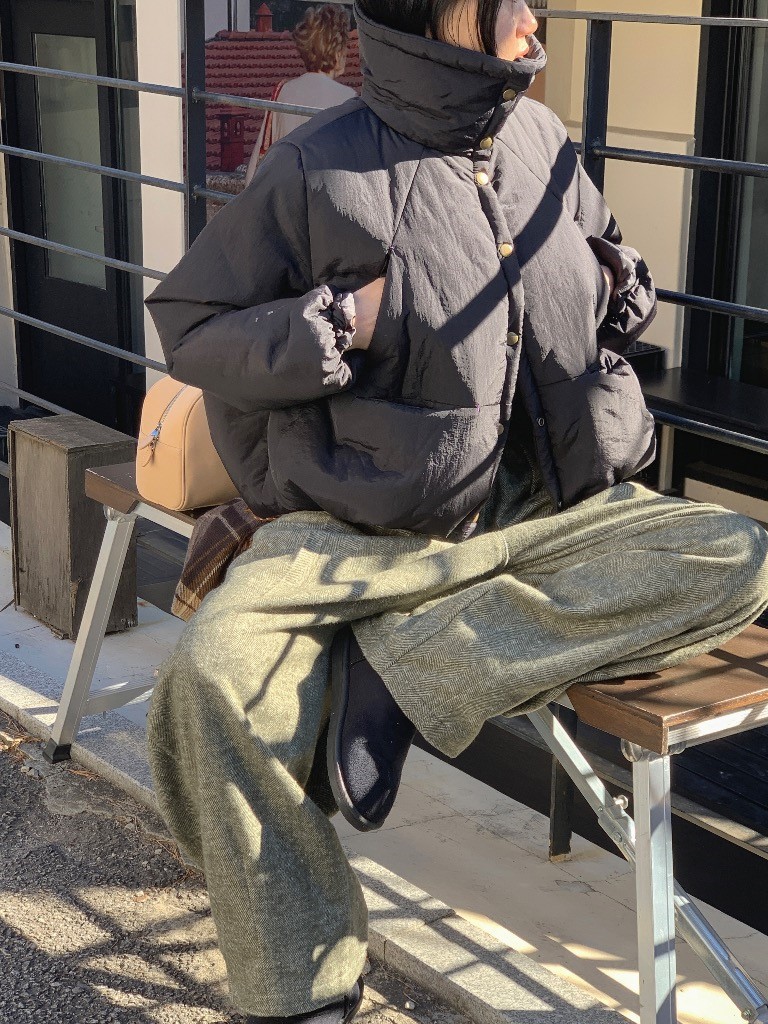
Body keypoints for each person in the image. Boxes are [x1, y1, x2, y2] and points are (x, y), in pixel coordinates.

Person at [144, 2, 768, 1022]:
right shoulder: (318, 166)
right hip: (362, 525)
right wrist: (339, 322)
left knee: (736, 555)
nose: (530, 15)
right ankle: (301, 991)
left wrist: (616, 284)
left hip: (545, 510)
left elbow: (608, 259)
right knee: (214, 681)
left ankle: (401, 665)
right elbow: (192, 326)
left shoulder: (542, 139)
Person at [245, 4, 357, 185]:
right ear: (337, 52)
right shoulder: (348, 99)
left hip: (284, 193)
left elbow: (257, 163)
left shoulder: (282, 91)